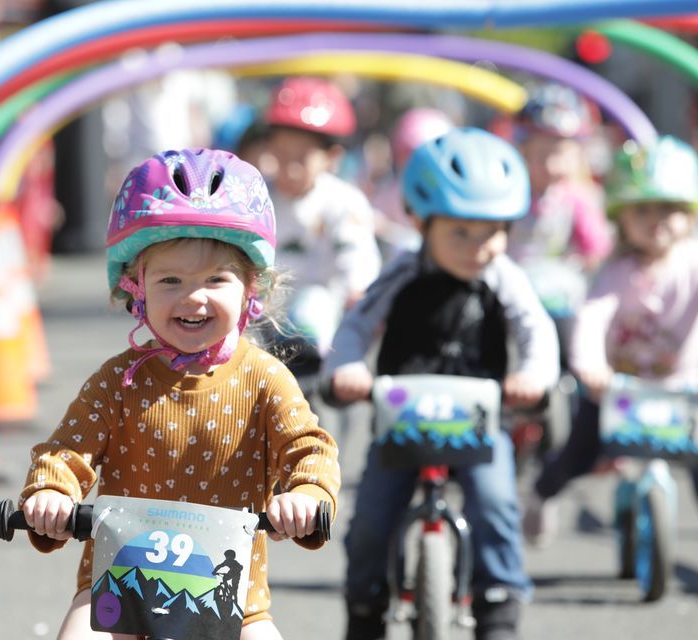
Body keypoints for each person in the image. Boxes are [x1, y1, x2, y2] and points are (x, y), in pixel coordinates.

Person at [18, 148, 341, 640]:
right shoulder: (119, 380)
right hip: (120, 587)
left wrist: (305, 494)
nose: (194, 297)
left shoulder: (264, 378)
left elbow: (308, 445)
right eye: (170, 280)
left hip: (230, 597)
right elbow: (67, 450)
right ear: (137, 287)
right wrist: (51, 494)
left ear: (250, 287)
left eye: (216, 279)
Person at [323, 127, 560, 640]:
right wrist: (346, 368)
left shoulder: (503, 275)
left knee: (496, 503)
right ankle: (364, 607)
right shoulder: (402, 270)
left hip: (479, 416)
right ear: (420, 221)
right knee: (370, 521)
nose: (480, 248)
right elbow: (358, 323)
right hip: (401, 417)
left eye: (493, 231)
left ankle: (498, 606)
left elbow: (534, 327)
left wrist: (534, 377)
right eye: (461, 233)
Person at [523, 136, 698, 546]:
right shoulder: (617, 270)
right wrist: (589, 364)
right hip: (617, 387)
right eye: (643, 210)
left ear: (688, 215)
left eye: (669, 210)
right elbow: (593, 315)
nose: (657, 221)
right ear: (622, 217)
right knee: (578, 454)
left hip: (681, 387)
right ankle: (540, 494)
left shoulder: (691, 263)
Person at [261, 76, 381, 392]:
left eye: (301, 157)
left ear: (332, 157)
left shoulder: (342, 202)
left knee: (312, 307)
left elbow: (355, 256)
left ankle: (309, 368)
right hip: (263, 306)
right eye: (281, 155)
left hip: (322, 314)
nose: (289, 169)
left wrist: (358, 290)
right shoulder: (260, 196)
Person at [507, 83, 612, 364]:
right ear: (523, 152)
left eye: (561, 155)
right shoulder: (510, 196)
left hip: (559, 296)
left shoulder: (576, 200)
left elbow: (597, 247)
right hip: (514, 289)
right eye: (542, 156)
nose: (552, 166)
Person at [369, 107, 454, 259]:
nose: (409, 165)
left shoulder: (448, 200)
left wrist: (387, 229)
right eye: (405, 154)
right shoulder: (393, 189)